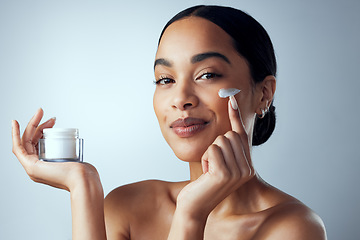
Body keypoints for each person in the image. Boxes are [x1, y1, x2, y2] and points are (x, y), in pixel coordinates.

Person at [11, 5, 327, 240]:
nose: (180, 98)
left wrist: (191, 214)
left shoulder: (292, 227)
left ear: (264, 94)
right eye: (165, 79)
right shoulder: (127, 207)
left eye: (207, 74)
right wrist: (83, 185)